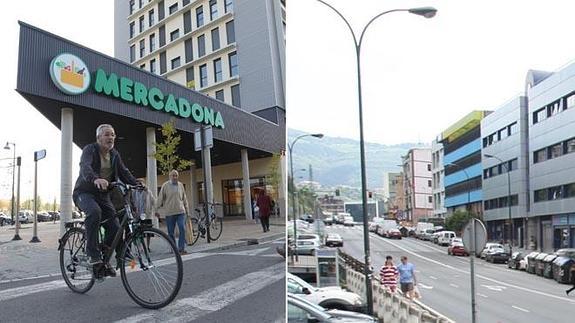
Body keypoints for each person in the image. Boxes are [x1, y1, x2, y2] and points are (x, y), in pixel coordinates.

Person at [72, 124, 138, 278]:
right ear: (98, 138)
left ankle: (104, 257)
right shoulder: (90, 149)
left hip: (102, 195)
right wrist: (95, 179)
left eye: (113, 135)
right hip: (84, 192)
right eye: (107, 134)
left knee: (115, 227)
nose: (111, 138)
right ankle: (92, 253)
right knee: (95, 212)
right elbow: (85, 167)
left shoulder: (114, 154)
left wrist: (137, 184)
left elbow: (124, 172)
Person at [156, 170, 189, 255]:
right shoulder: (165, 185)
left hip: (181, 211)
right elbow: (160, 198)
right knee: (171, 232)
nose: (175, 177)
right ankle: (174, 248)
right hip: (170, 212)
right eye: (173, 175)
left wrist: (187, 210)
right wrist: (156, 209)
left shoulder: (181, 185)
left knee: (182, 228)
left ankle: (181, 249)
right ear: (170, 176)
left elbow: (184, 198)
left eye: (176, 175)